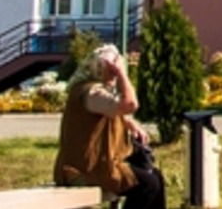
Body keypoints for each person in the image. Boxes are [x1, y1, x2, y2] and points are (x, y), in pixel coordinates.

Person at [54, 44, 164, 209]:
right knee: (148, 185)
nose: (113, 73)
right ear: (97, 68)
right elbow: (130, 104)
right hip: (84, 170)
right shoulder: (90, 92)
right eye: (110, 68)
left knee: (155, 177)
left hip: (96, 164)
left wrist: (130, 123)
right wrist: (122, 74)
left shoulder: (91, 89)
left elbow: (114, 110)